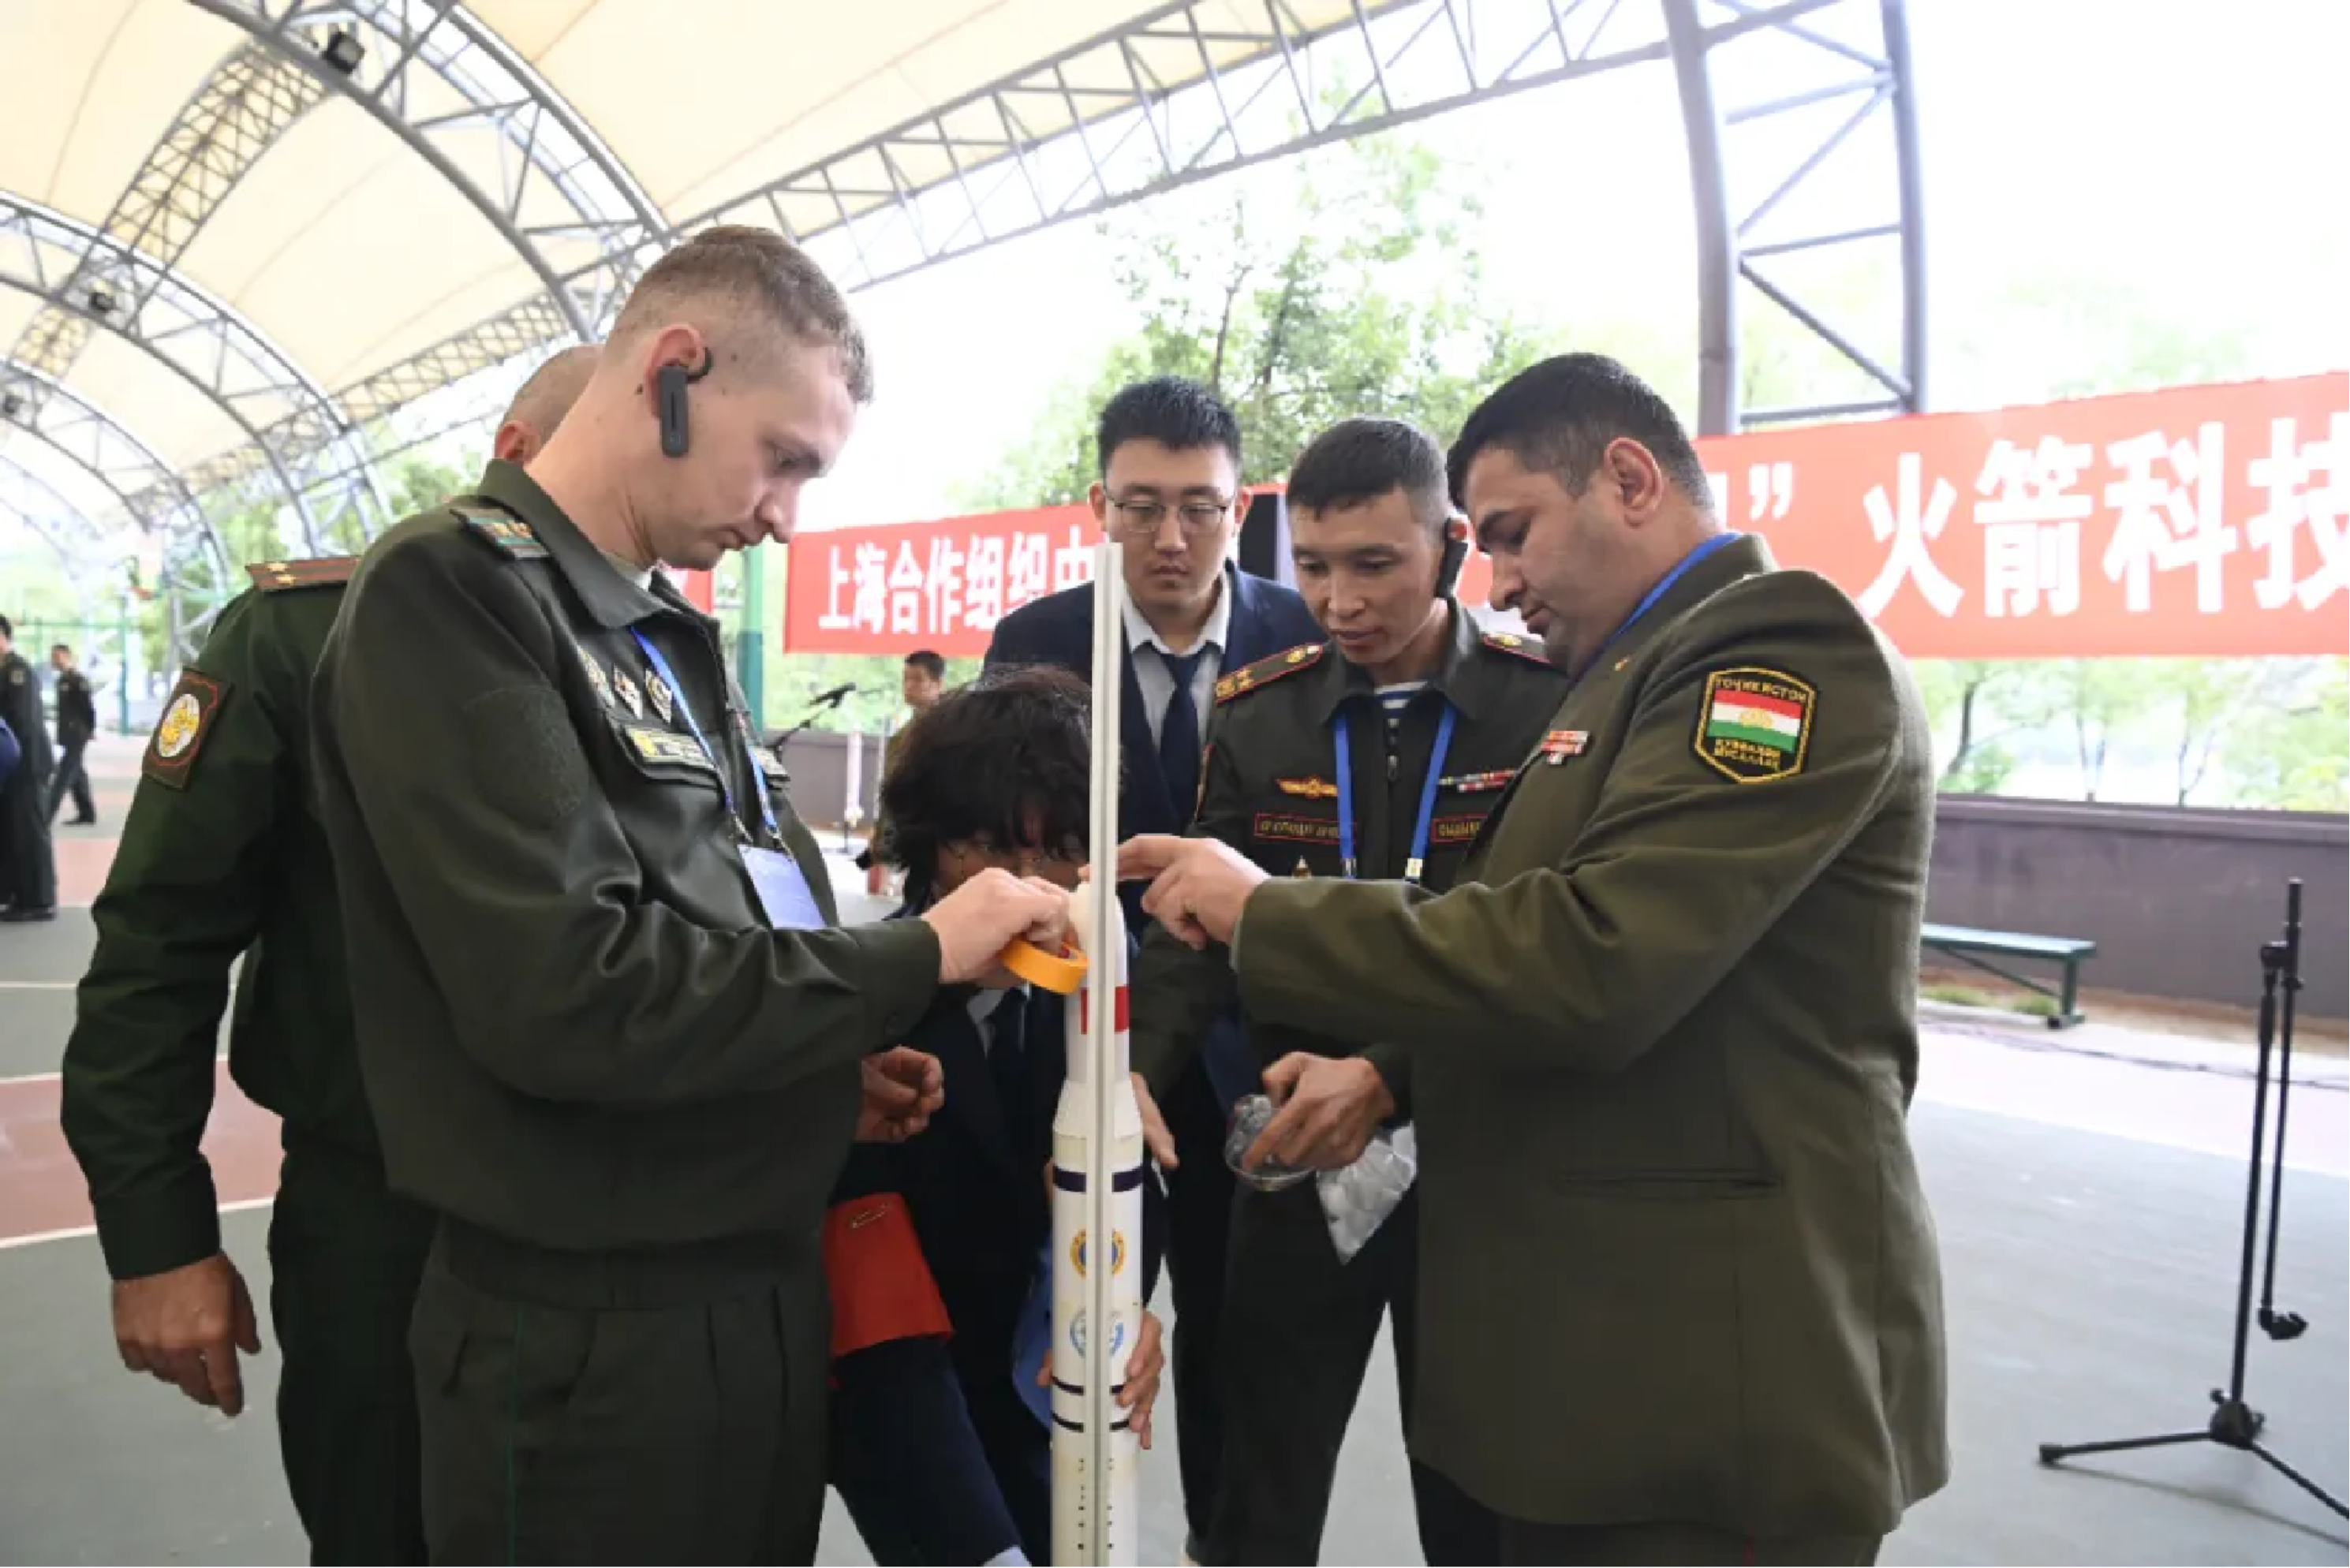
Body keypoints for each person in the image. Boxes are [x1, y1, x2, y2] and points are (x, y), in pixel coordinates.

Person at [308, 226, 1073, 1566]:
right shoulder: (458, 595)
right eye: (783, 458)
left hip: (754, 1301)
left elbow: (734, 927)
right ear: (673, 371)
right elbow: (570, 991)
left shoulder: (668, 643)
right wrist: (916, 954)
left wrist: (818, 1077)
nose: (785, 515)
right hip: (592, 1335)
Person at [1121, 353, 1950, 1568]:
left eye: (1510, 534)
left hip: (1705, 1375)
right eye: (1313, 567)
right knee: (1266, 1467)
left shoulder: (1769, 649)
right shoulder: (1617, 680)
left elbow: (1592, 956)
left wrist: (1266, 916)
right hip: (1586, 1335)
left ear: (1627, 480)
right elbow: (1520, 932)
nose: (1501, 579)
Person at [59, 344, 597, 1568]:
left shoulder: (644, 662)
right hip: (385, 1224)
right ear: (513, 454)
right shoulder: (304, 636)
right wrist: (156, 1233)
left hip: (611, 1233)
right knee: (385, 1529)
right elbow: (157, 945)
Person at [1130, 416, 1562, 1566]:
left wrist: (1391, 1073)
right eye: (1313, 567)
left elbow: (1551, 947)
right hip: (1297, 1144)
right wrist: (1135, 1066)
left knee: (1479, 1486)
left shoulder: (1546, 708)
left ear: (1451, 545)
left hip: (1480, 1147)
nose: (1339, 601)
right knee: (1257, 1477)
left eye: (1374, 564)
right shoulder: (1259, 710)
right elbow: (1193, 926)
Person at [982, 374, 1320, 1565]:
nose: (1169, 537)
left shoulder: (1306, 638)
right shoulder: (1034, 643)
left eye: (1198, 507)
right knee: (1067, 1337)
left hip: (1259, 1070)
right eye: (1139, 506)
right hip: (1078, 1053)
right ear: (1097, 505)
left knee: (1245, 1361)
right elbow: (993, 847)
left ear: (1240, 508)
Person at [827, 664, 1168, 1568]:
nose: (1022, 887)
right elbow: (870, 1302)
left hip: (1047, 1394)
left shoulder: (1104, 971)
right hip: (902, 1398)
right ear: (928, 840)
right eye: (980, 847)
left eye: (1056, 852)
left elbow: (1134, 1173)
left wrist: (1128, 1301)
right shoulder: (856, 1000)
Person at [0, 613, 58, 920]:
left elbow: (20, 722)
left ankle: (38, 901)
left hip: (27, 762)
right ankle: (16, 893)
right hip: (11, 764)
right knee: (12, 830)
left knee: (30, 832)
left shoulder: (17, 671)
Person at [48, 642, 97, 825]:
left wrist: (90, 729)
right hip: (67, 734)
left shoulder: (78, 680)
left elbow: (88, 708)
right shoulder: (61, 680)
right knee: (77, 773)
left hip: (77, 734)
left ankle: (45, 814)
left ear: (66, 656)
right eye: (52, 657)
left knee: (64, 774)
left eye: (56, 656)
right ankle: (87, 813)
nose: (53, 660)